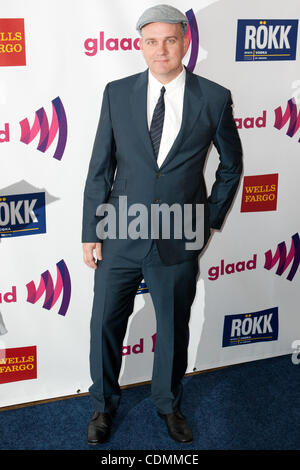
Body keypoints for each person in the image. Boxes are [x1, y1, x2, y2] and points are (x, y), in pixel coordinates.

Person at [82, 4, 243, 445]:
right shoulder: (116, 93)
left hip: (180, 233)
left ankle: (169, 405)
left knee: (172, 327)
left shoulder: (213, 97)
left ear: (185, 42)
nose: (161, 50)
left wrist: (208, 219)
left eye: (170, 40)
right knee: (104, 325)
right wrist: (90, 231)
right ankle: (102, 406)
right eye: (151, 41)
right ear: (140, 45)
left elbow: (232, 164)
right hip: (119, 231)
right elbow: (101, 168)